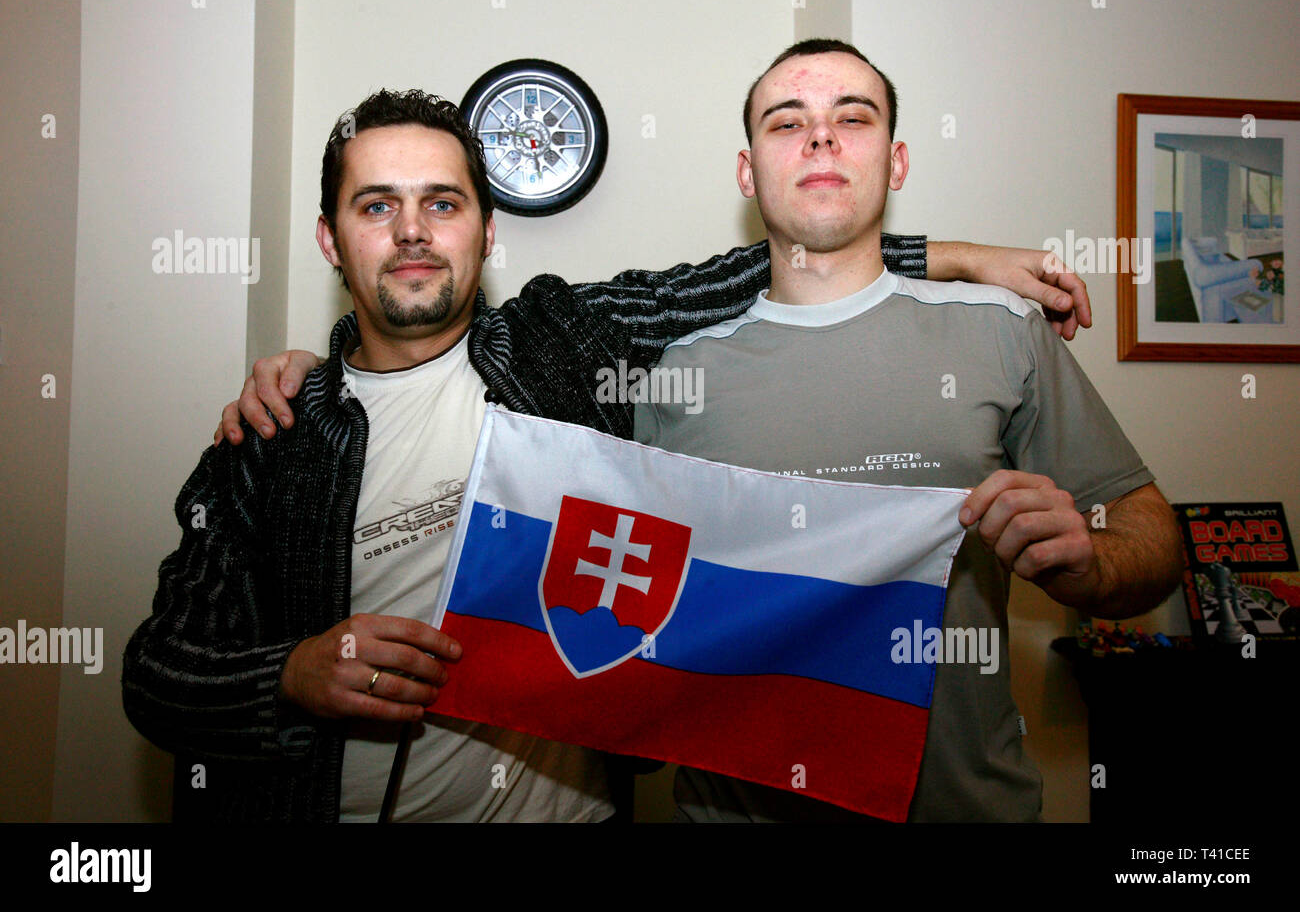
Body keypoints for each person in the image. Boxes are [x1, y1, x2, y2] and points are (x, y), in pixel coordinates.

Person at [129, 71, 1089, 822]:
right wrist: (291, 674)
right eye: (377, 206)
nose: (414, 233)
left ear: (488, 230)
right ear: (332, 241)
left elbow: (752, 265)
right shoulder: (271, 434)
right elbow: (157, 673)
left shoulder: (559, 344)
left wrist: (957, 259)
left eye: (444, 203)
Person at [631, 39, 1184, 821]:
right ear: (748, 173)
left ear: (896, 163)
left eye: (851, 118)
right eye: (787, 123)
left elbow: (1151, 535)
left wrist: (1087, 561)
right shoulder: (674, 373)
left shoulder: (1002, 332)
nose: (821, 137)